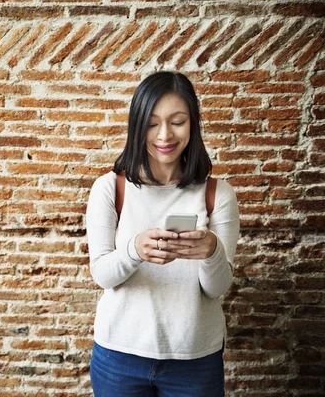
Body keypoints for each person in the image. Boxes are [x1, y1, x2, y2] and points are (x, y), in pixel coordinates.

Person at [85, 71, 240, 396]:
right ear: (137, 125)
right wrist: (134, 250)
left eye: (177, 121)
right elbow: (102, 274)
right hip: (118, 356)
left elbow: (217, 288)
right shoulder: (109, 189)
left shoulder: (217, 194)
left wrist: (211, 250)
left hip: (195, 360)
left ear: (193, 124)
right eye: (152, 123)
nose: (165, 134)